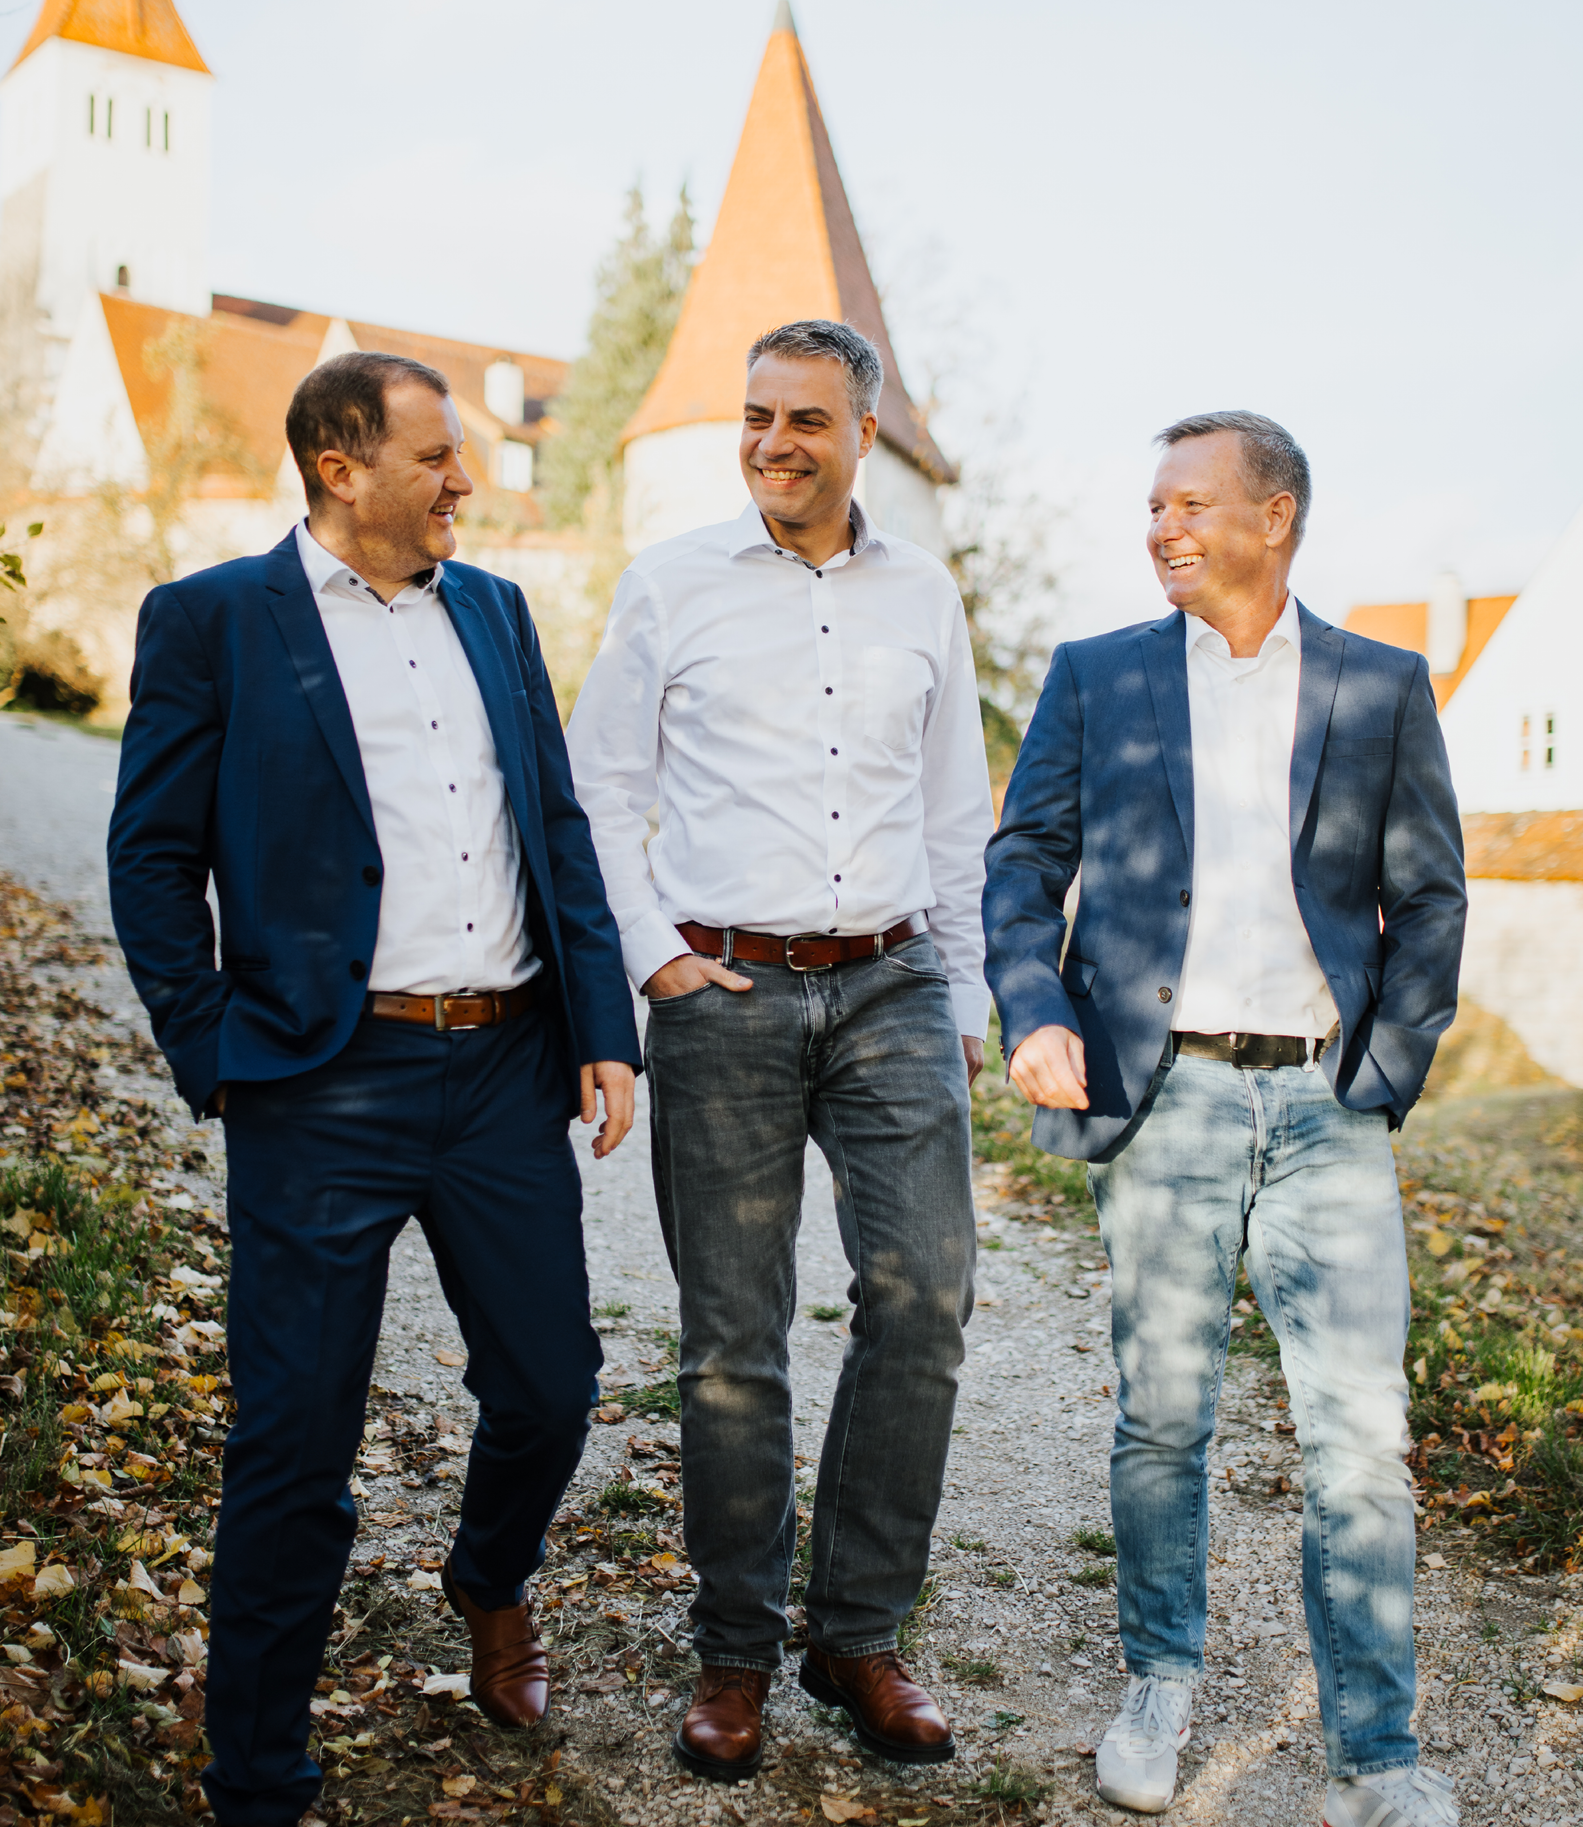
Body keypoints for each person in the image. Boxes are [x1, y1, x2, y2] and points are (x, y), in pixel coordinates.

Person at [108, 351, 640, 1827]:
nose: (465, 477)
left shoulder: (497, 610)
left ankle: (490, 1575)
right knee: (293, 1442)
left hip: (503, 1070)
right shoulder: (214, 620)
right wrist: (213, 1047)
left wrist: (599, 1026)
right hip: (320, 1082)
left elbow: (556, 824)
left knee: (550, 1386)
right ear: (340, 469)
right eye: (435, 456)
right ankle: (257, 1775)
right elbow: (151, 858)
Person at [983, 412, 1466, 1826]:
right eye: (1153, 507)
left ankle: (1373, 1758)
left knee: (1359, 1441)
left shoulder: (1380, 684)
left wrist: (1384, 1070)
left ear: (1276, 516)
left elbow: (1430, 893)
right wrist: (1037, 1008)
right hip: (1166, 1096)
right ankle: (1158, 1681)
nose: (1162, 528)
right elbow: (1024, 861)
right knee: (1161, 1423)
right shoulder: (1097, 675)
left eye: (1190, 504)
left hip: (1328, 1103)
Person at [567, 319, 991, 1779]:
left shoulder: (923, 594)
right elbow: (595, 787)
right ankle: (736, 1649)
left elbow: (955, 812)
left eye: (805, 419)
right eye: (756, 416)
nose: (772, 443)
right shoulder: (669, 583)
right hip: (722, 992)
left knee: (924, 1300)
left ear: (863, 433)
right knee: (732, 1341)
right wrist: (652, 956)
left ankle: (857, 1633)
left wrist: (966, 999)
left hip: (892, 985)